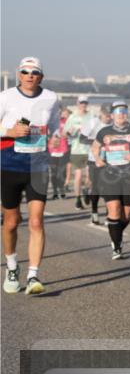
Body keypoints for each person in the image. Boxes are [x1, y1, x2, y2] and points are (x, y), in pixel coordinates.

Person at [1, 57, 63, 295]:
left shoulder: (50, 98)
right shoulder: (6, 97)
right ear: (19, 74)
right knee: (11, 222)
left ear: (41, 76)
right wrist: (9, 131)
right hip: (9, 164)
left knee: (36, 221)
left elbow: (56, 126)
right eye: (25, 72)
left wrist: (55, 138)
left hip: (38, 166)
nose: (29, 75)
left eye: (34, 72)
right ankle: (13, 266)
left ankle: (34, 274)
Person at [91, 101, 130, 259]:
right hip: (109, 175)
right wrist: (97, 159)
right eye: (118, 112)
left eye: (124, 111)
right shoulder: (104, 131)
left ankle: (114, 229)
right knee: (114, 210)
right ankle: (116, 246)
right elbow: (95, 147)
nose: (121, 114)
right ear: (112, 115)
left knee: (126, 216)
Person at [81, 105, 111, 226]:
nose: (109, 118)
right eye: (107, 116)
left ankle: (110, 215)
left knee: (109, 188)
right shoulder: (93, 123)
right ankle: (94, 213)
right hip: (94, 159)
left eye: (110, 116)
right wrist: (97, 143)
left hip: (110, 160)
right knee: (97, 188)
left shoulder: (115, 124)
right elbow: (81, 139)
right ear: (101, 114)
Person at [64, 95, 94, 210]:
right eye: (81, 103)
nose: (83, 105)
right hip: (77, 150)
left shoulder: (92, 116)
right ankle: (77, 199)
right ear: (77, 103)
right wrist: (69, 133)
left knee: (90, 176)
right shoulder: (72, 117)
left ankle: (86, 190)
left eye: (85, 103)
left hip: (90, 150)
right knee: (78, 175)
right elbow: (64, 133)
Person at [47, 109, 69, 199]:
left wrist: (67, 134)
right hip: (52, 151)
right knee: (53, 173)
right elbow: (42, 131)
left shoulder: (66, 121)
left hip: (63, 150)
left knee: (62, 173)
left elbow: (71, 132)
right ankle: (55, 192)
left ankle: (62, 190)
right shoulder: (48, 121)